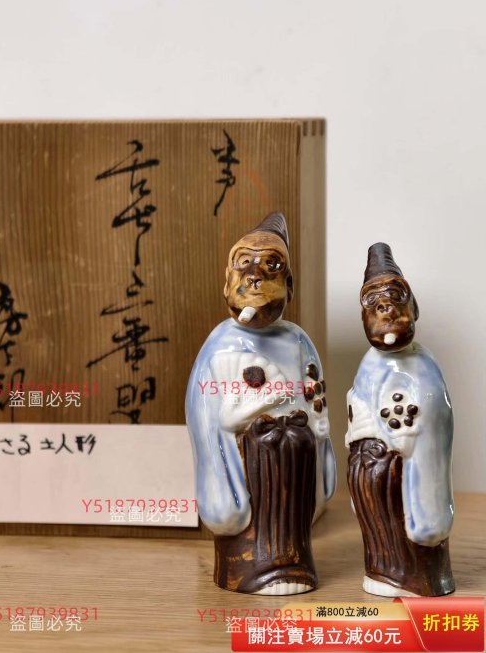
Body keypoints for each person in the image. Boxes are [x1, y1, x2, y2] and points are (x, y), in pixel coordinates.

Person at [186, 213, 335, 594]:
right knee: (251, 529)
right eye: (244, 264)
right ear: (227, 281)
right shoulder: (220, 345)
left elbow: (315, 399)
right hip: (249, 464)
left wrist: (319, 434)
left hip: (294, 463)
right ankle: (249, 569)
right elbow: (209, 420)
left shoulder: (297, 340)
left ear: (289, 286)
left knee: (292, 518)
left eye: (270, 266)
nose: (255, 276)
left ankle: (292, 563)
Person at [346, 242, 454, 597]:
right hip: (372, 475)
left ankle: (419, 577)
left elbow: (434, 414)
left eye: (396, 297)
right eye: (373, 302)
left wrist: (402, 436)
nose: (385, 308)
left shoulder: (422, 366)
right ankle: (382, 572)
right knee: (380, 530)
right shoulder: (368, 363)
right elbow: (357, 408)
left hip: (404, 474)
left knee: (407, 529)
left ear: (414, 309)